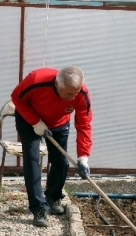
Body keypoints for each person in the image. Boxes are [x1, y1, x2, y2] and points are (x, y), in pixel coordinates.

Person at [11, 66, 92, 227]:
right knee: (32, 160)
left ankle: (53, 197)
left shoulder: (81, 93)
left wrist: (83, 157)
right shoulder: (36, 80)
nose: (73, 96)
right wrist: (35, 122)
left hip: (59, 122)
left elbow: (84, 124)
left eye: (76, 92)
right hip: (30, 120)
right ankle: (38, 208)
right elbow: (16, 97)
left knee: (61, 161)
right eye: (69, 93)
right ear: (57, 84)